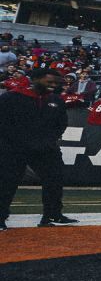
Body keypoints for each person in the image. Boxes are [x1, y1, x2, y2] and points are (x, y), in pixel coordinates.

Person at [0, 68, 77, 230]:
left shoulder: (56, 100)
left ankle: (53, 214)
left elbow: (61, 124)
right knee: (7, 182)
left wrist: (50, 140)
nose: (53, 85)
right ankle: (1, 217)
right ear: (35, 79)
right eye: (49, 82)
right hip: (14, 148)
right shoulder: (10, 97)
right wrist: (13, 142)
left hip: (45, 148)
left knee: (55, 179)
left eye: (56, 83)